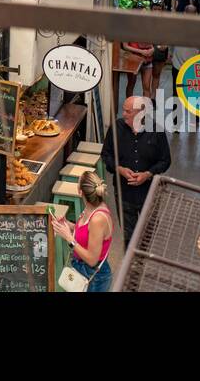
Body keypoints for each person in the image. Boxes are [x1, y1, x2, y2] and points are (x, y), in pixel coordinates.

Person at [102, 95, 171, 244]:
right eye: (123, 110)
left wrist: (148, 174)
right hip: (124, 193)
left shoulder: (157, 131)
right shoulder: (117, 128)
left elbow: (166, 160)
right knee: (129, 235)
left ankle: (141, 261)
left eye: (128, 111)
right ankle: (131, 264)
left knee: (147, 232)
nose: (123, 114)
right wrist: (118, 168)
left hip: (149, 193)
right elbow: (106, 154)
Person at [52, 171, 114, 292]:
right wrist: (68, 225)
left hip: (94, 279)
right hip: (82, 271)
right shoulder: (90, 207)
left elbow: (92, 260)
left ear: (80, 192)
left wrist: (69, 238)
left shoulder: (98, 218)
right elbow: (88, 233)